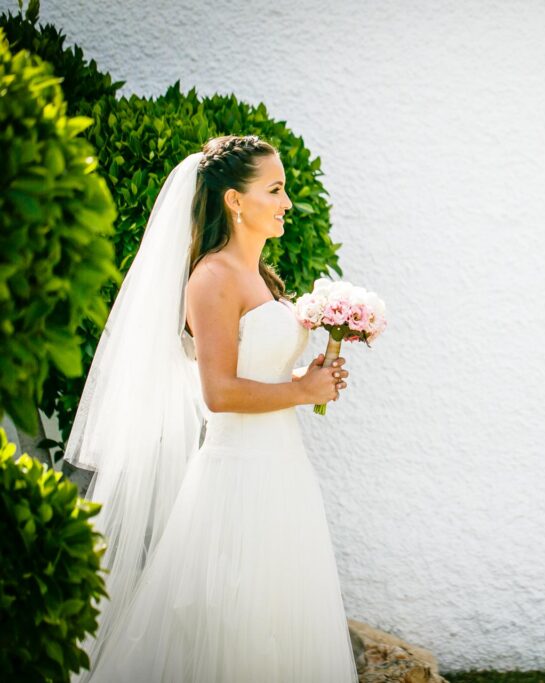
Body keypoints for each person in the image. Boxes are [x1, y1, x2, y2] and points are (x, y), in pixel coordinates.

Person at [66, 135, 359, 681]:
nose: (287, 203)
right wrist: (300, 393)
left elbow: (256, 374)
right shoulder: (213, 278)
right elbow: (220, 393)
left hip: (283, 472)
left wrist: (306, 378)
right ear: (235, 200)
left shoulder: (259, 276)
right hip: (237, 480)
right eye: (274, 189)